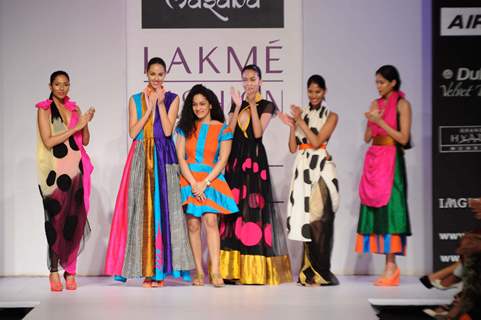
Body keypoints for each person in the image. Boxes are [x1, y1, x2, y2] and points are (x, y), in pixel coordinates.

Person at [105, 57, 194, 287]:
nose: (156, 78)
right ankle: (147, 271)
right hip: (141, 156)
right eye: (152, 74)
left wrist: (161, 104)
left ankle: (160, 272)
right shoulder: (135, 99)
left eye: (160, 74)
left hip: (164, 155)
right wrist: (149, 107)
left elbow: (166, 130)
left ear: (165, 75)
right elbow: (133, 132)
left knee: (165, 210)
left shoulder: (173, 99)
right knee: (143, 212)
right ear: (146, 73)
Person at [219, 64, 292, 285]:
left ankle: (254, 271)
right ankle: (230, 270)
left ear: (260, 81)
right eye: (245, 79)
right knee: (233, 211)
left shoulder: (267, 104)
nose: (249, 83)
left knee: (252, 210)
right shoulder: (237, 103)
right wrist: (239, 105)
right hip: (235, 161)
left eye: (253, 79)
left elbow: (258, 133)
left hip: (254, 159)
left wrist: (251, 105)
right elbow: (228, 132)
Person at [36, 70, 95, 291]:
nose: (62, 88)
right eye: (58, 84)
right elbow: (48, 141)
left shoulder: (73, 108)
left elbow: (85, 141)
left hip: (78, 171)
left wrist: (85, 122)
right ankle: (53, 272)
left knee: (75, 220)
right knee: (56, 222)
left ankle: (71, 271)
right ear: (50, 86)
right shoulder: (44, 109)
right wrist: (76, 126)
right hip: (55, 174)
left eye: (66, 84)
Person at [279, 74, 340, 286]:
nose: (313, 95)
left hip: (320, 168)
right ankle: (308, 272)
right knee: (305, 218)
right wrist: (291, 126)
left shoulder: (331, 116)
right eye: (311, 91)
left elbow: (315, 142)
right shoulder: (302, 114)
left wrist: (299, 121)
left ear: (324, 92)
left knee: (319, 221)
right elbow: (293, 147)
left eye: (318, 92)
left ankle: (321, 271)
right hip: (302, 168)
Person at [176, 84, 238, 287]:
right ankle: (199, 272)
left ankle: (216, 271)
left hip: (211, 178)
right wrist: (194, 183)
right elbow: (181, 159)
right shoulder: (184, 127)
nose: (198, 108)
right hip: (190, 179)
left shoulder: (223, 128)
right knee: (193, 223)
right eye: (194, 104)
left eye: (202, 104)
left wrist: (205, 182)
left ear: (210, 105)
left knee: (211, 221)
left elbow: (223, 159)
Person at [355, 65, 412, 286]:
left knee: (392, 211)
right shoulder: (375, 104)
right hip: (375, 159)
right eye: (376, 82)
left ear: (393, 83)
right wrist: (372, 120)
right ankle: (387, 267)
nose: (378, 87)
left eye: (382, 82)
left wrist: (381, 122)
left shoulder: (402, 104)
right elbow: (367, 137)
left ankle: (391, 266)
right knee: (374, 209)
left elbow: (404, 138)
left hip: (392, 161)